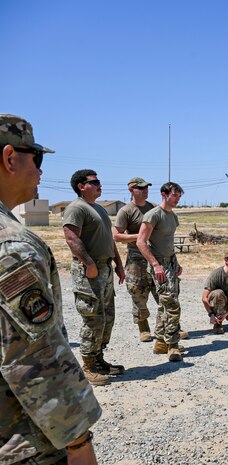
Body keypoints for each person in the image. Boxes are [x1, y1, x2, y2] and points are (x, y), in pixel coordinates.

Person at [0, 114, 101, 464]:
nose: (41, 172)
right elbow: (33, 354)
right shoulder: (11, 246)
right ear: (10, 158)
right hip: (19, 438)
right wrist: (78, 441)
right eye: (37, 159)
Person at [63, 169, 126, 386]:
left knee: (107, 316)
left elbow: (109, 239)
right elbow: (71, 238)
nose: (100, 185)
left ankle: (99, 359)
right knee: (93, 318)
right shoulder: (76, 208)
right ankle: (88, 367)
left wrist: (118, 264)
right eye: (95, 182)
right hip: (89, 271)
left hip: (105, 268)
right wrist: (89, 263)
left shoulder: (98, 208)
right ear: (81, 186)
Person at [137, 182, 185, 362]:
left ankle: (160, 342)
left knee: (165, 304)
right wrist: (156, 265)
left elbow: (169, 242)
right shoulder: (153, 215)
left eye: (180, 196)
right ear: (164, 194)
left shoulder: (172, 216)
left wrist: (176, 263)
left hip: (170, 263)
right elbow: (141, 242)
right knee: (172, 305)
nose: (178, 198)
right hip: (160, 266)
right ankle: (172, 345)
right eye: (175, 195)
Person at [113, 177, 159, 342]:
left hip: (155, 254)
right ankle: (143, 327)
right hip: (136, 257)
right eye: (141, 188)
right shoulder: (126, 211)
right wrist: (140, 237)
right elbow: (117, 236)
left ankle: (170, 325)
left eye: (146, 187)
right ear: (132, 190)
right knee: (137, 291)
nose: (145, 190)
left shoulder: (153, 208)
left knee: (162, 289)